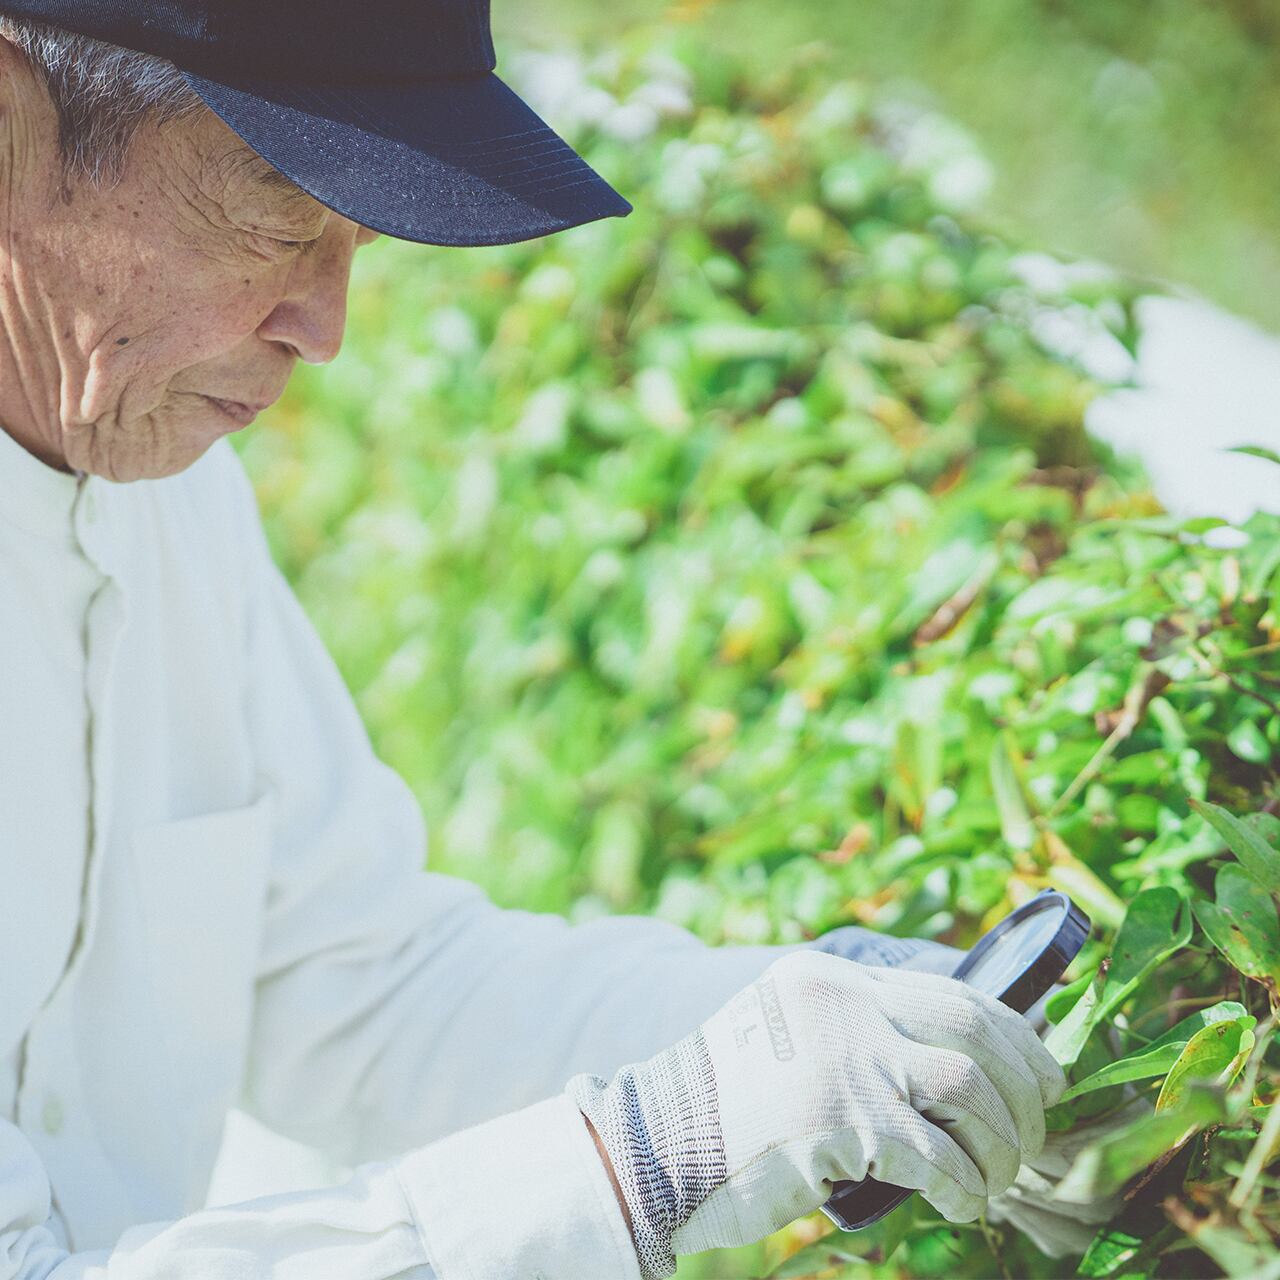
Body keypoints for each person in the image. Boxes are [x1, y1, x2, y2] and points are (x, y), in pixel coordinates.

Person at [0, 3, 1106, 1276]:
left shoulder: (162, 491)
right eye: (278, 211)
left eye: (353, 239)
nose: (323, 326)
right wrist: (652, 1155)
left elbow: (363, 982)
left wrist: (847, 1026)